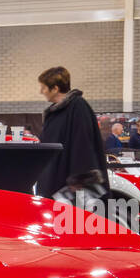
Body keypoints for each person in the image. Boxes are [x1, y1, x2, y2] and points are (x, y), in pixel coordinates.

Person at [36, 66, 109, 207]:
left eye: (44, 87)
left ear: (55, 88)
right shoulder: (53, 113)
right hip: (53, 180)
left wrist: (79, 179)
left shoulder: (78, 106)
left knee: (73, 224)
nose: (41, 91)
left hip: (71, 185)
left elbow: (83, 143)